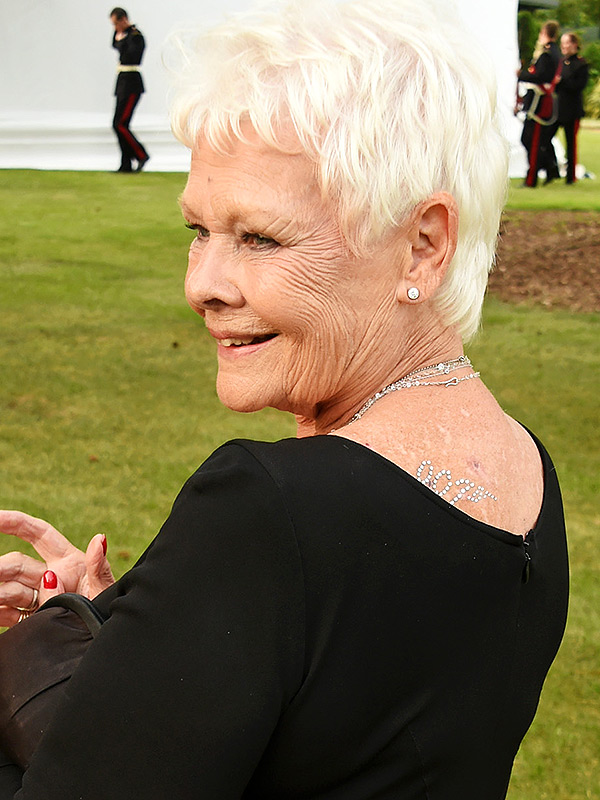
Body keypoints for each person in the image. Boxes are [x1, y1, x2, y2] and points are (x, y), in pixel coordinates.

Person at [0, 0, 569, 797]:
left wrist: (24, 649)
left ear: (423, 243)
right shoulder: (524, 469)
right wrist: (134, 632)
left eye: (260, 238)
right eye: (199, 230)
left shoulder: (269, 514)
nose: (201, 285)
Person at [518, 20, 561, 187]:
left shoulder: (547, 54)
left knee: (533, 140)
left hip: (539, 103)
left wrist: (522, 74)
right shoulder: (554, 53)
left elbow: (539, 77)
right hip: (539, 101)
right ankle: (550, 168)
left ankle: (532, 178)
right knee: (535, 140)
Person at [110, 7, 150, 173]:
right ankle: (126, 163)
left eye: (116, 24)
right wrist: (120, 36)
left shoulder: (135, 36)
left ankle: (141, 155)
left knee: (121, 124)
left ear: (123, 20)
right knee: (118, 124)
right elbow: (115, 44)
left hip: (132, 82)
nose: (115, 29)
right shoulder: (123, 36)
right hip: (122, 82)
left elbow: (130, 55)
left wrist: (123, 36)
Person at [556, 32, 589, 184]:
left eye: (567, 43)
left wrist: (561, 81)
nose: (564, 46)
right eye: (563, 43)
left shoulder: (581, 64)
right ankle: (552, 170)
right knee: (545, 137)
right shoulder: (561, 62)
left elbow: (578, 86)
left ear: (575, 44)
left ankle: (571, 177)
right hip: (559, 109)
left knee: (571, 143)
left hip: (572, 109)